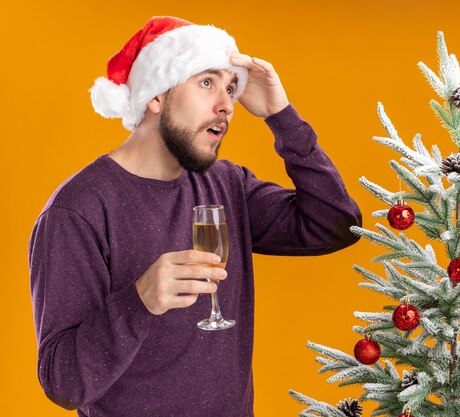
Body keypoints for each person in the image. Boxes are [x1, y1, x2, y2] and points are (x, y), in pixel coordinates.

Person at [28, 16, 361, 417]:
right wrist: (140, 301)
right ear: (155, 95)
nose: (226, 105)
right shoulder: (78, 210)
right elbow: (63, 384)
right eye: (207, 83)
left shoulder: (226, 183)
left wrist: (281, 115)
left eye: (231, 88)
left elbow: (337, 224)